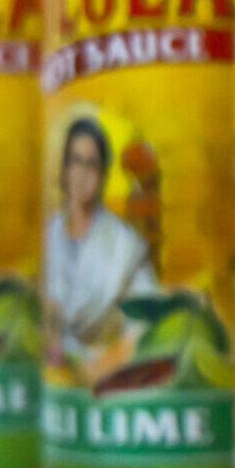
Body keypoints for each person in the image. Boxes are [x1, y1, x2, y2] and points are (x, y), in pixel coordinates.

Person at [42, 117, 158, 382]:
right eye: (75, 161)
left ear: (102, 175)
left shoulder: (124, 246)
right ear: (64, 170)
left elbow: (144, 323)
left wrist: (102, 364)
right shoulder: (48, 235)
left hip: (103, 375)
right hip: (52, 377)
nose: (82, 174)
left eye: (91, 165)